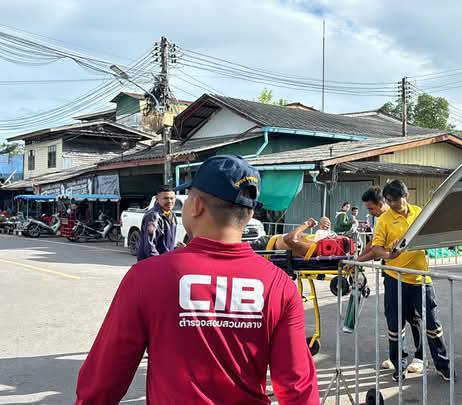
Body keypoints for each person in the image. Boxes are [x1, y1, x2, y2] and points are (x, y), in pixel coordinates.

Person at [75, 155, 319, 404]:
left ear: (197, 205)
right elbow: (297, 386)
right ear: (249, 213)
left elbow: (102, 381)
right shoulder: (279, 285)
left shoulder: (146, 277)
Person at [359, 179, 451, 382]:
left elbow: (431, 234)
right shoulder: (384, 220)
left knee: (432, 324)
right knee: (395, 325)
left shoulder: (419, 212)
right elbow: (376, 247)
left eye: (395, 200)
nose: (392, 204)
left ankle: (443, 365)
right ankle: (399, 366)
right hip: (395, 279)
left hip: (420, 279)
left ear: (405, 196)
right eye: (389, 201)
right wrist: (388, 255)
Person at [357, 186, 425, 374]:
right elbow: (373, 245)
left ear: (382, 204)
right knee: (394, 317)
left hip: (410, 274)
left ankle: (420, 356)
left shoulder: (403, 215)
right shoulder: (382, 220)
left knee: (413, 316)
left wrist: (358, 261)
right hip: (392, 274)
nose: (370, 212)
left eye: (371, 208)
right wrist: (357, 259)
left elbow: (375, 251)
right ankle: (397, 356)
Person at [251, 216, 335, 257]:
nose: (331, 235)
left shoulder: (313, 248)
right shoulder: (319, 241)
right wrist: (326, 224)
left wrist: (307, 224)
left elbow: (289, 239)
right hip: (270, 240)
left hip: (267, 245)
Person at [136, 185, 179, 262]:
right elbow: (149, 246)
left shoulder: (172, 215)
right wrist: (159, 262)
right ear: (157, 199)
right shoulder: (153, 216)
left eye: (172, 198)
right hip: (153, 263)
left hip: (165, 261)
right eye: (166, 198)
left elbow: (169, 244)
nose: (169, 201)